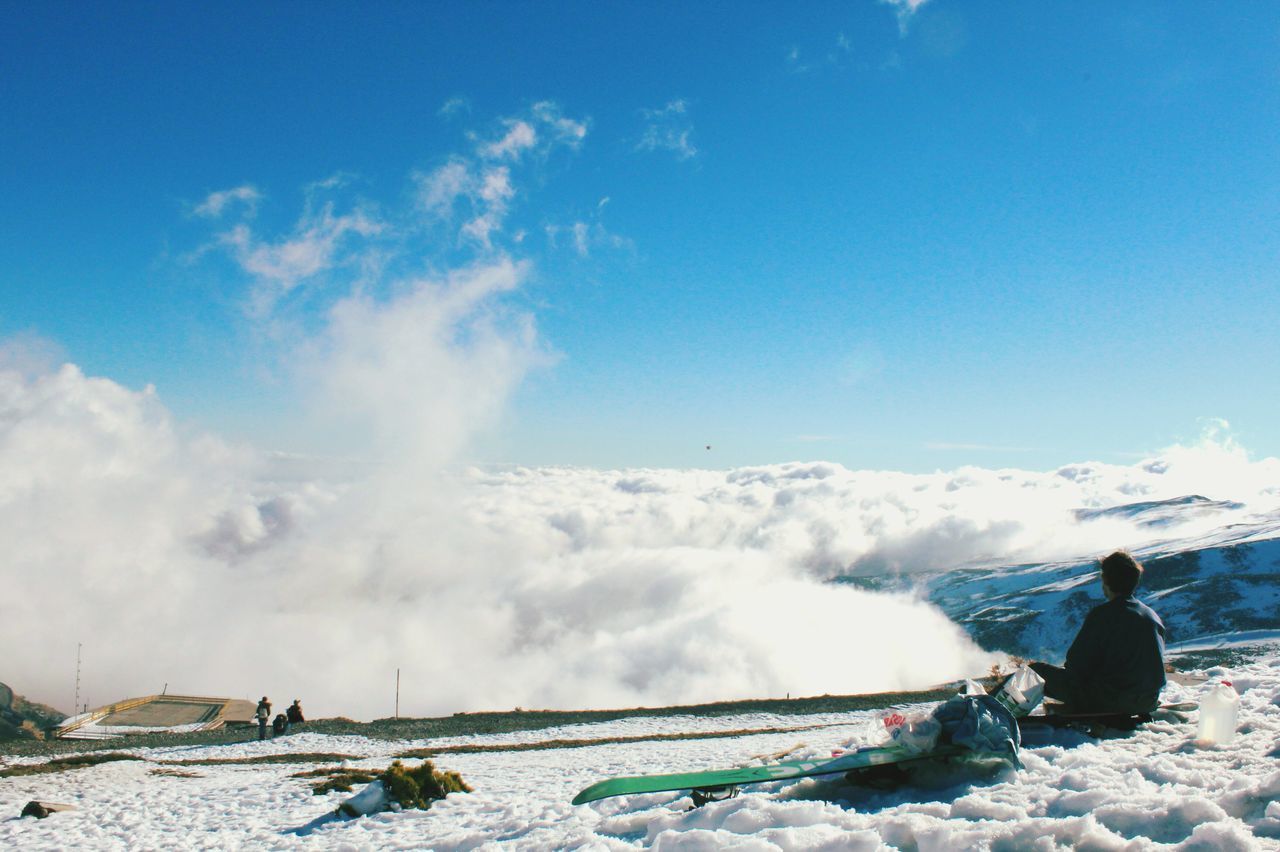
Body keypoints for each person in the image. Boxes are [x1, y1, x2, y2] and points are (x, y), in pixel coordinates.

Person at [1030, 551, 1166, 714]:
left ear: (1105, 581)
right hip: (1147, 701)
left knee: (1034, 671)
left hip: (1111, 701)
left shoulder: (1104, 614)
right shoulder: (1152, 616)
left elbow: (1077, 664)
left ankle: (1002, 717)